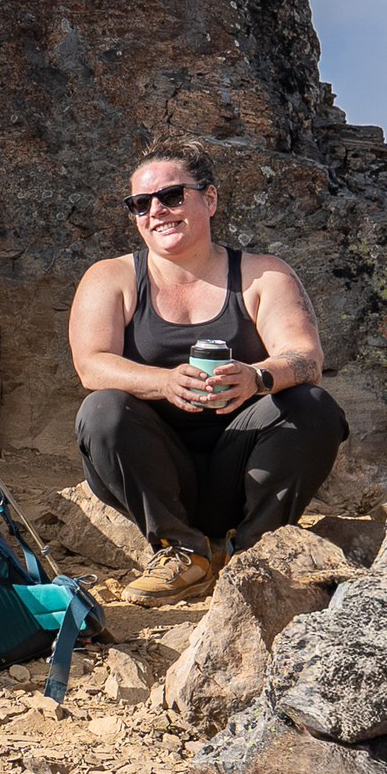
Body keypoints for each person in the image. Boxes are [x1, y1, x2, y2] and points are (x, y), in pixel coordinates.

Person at [68, 142, 351, 604]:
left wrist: (256, 377)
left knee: (312, 405)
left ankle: (256, 554)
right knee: (102, 409)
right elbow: (91, 364)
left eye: (172, 196)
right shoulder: (111, 277)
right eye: (141, 204)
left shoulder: (262, 275)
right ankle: (180, 551)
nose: (157, 211)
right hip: (154, 474)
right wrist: (163, 382)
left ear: (210, 199)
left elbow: (305, 358)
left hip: (241, 468)